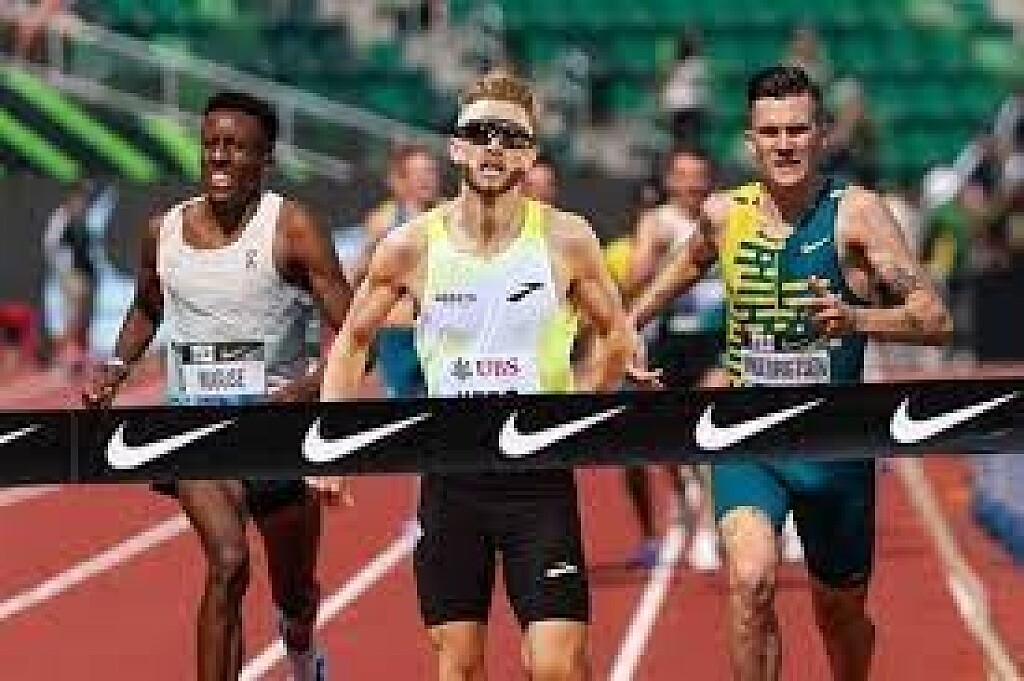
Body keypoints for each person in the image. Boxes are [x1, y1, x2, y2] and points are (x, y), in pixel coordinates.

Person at [629, 66, 952, 680]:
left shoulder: (857, 214)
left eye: (797, 130)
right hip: (748, 436)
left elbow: (934, 319)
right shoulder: (725, 215)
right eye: (771, 132)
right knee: (749, 581)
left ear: (821, 133)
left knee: (839, 613)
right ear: (750, 140)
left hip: (833, 444)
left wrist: (856, 319)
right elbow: (682, 268)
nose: (784, 145)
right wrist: (627, 326)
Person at [321, 68, 632, 681]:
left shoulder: (566, 239)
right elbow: (352, 341)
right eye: (479, 133)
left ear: (530, 155)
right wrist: (332, 448)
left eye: (510, 137)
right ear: (456, 148)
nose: (493, 147)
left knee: (557, 666)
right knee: (459, 667)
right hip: (452, 480)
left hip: (538, 480)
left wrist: (582, 407)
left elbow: (618, 334)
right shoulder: (411, 245)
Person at [84, 91, 354, 681]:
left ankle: (301, 648)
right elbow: (147, 307)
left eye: (236, 147)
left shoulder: (293, 227)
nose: (220, 158)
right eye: (211, 144)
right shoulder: (163, 231)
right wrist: (117, 365)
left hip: (278, 429)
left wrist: (310, 388)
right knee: (228, 561)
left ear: (266, 158)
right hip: (196, 424)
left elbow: (354, 332)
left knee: (295, 592)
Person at [625, 147, 723, 571]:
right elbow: (633, 280)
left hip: (715, 340)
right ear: (669, 182)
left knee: (710, 429)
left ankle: (707, 530)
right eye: (682, 176)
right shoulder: (657, 222)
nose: (691, 184)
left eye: (698, 175)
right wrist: (660, 255)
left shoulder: (722, 217)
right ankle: (684, 491)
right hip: (668, 343)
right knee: (669, 437)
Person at [352, 142, 440, 398]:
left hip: (440, 329)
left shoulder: (451, 216)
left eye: (431, 171)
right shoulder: (384, 222)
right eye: (419, 173)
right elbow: (360, 274)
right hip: (398, 332)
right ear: (401, 180)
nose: (427, 179)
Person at [44, 180, 99, 373]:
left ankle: (81, 357)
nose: (83, 202)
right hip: (71, 274)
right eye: (80, 197)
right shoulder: (61, 218)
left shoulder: (82, 219)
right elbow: (51, 247)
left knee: (84, 317)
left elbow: (87, 248)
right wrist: (65, 272)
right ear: (72, 197)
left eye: (85, 198)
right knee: (72, 317)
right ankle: (63, 359)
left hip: (85, 273)